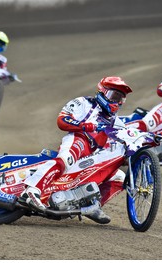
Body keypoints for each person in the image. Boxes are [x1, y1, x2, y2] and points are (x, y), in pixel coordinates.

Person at [20, 76, 133, 224]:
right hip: (78, 140)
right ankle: (31, 191)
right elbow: (62, 120)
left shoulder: (117, 122)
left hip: (94, 155)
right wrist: (85, 126)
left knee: (119, 177)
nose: (117, 102)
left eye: (121, 99)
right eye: (114, 96)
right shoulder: (83, 103)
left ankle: (92, 205)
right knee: (65, 159)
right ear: (103, 92)